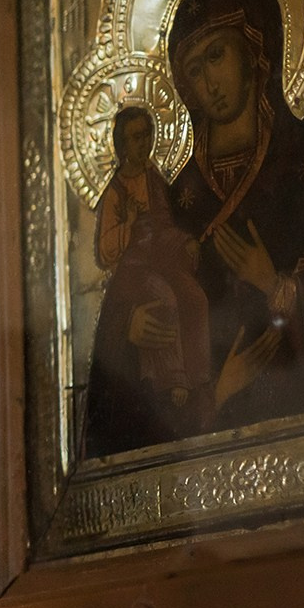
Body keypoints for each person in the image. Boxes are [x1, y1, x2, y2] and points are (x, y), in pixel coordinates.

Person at [142, 0, 304, 436]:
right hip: (210, 435)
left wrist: (277, 285)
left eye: (216, 55)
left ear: (255, 47)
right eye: (195, 70)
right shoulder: (176, 200)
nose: (210, 83)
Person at [81, 105, 212, 455]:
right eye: (136, 138)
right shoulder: (115, 192)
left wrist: (184, 242)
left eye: (147, 136)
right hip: (133, 272)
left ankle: (198, 375)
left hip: (160, 261)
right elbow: (108, 250)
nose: (144, 144)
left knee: (195, 297)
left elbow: (163, 226)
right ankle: (170, 379)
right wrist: (129, 223)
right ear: (122, 144)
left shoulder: (153, 178)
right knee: (165, 299)